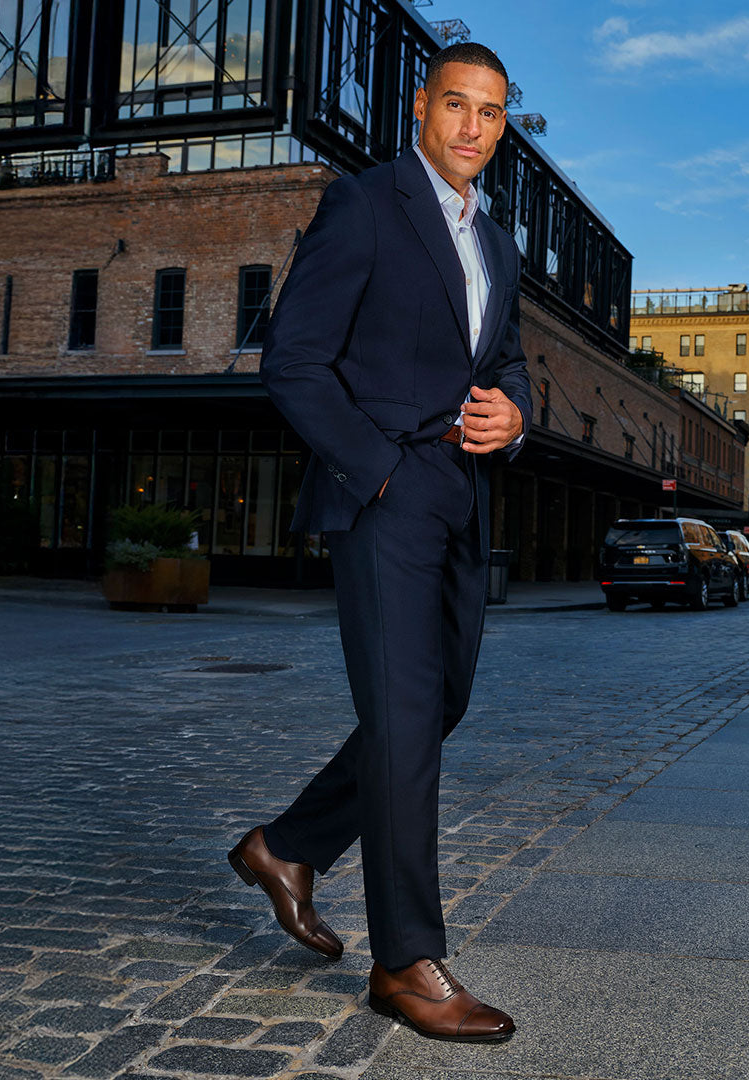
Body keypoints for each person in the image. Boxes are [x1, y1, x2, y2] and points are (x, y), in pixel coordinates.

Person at [227, 41, 531, 1044]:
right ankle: (406, 963)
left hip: (461, 498)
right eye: (457, 106)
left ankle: (289, 846)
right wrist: (383, 469)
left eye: (491, 113)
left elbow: (511, 362)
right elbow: (294, 362)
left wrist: (514, 420)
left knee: (438, 703)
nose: (473, 128)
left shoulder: (497, 243)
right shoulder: (365, 205)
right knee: (404, 717)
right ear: (421, 107)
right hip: (386, 495)